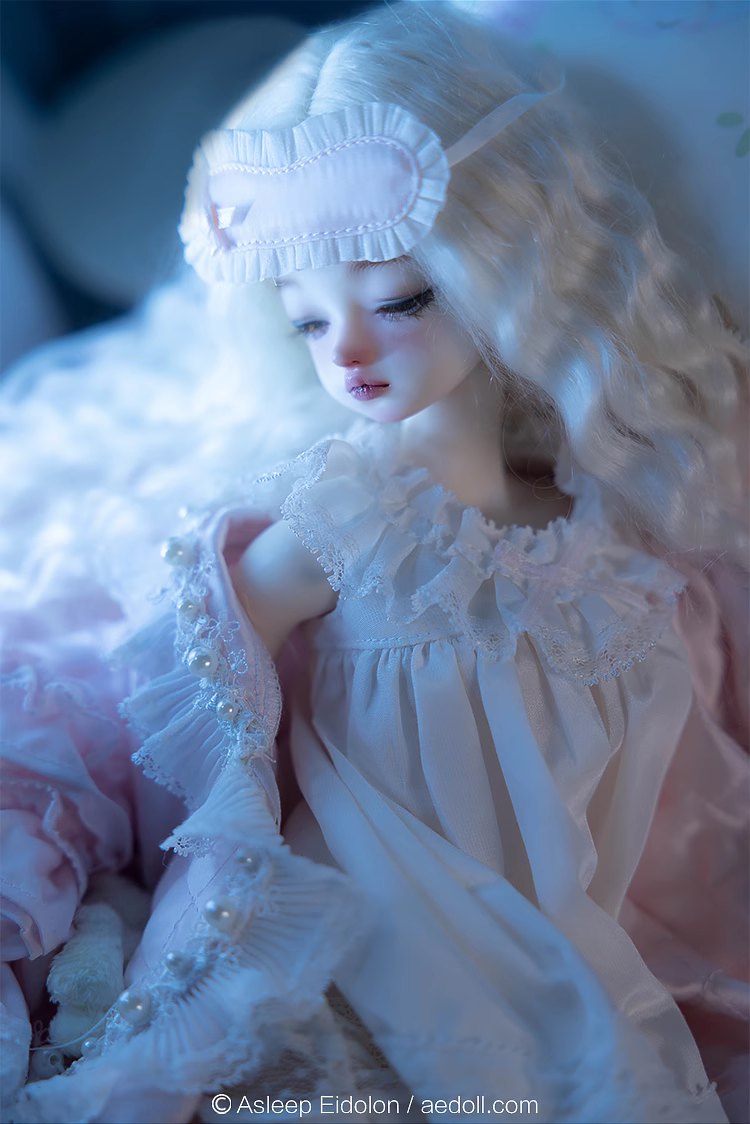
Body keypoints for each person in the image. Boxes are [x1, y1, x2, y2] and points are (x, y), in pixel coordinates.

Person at [2, 4, 748, 1122]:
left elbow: (680, 804)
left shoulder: (610, 538)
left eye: (398, 301)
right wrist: (215, 873)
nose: (345, 350)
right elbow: (207, 688)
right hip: (369, 945)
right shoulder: (347, 521)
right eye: (306, 322)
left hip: (573, 960)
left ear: (505, 275)